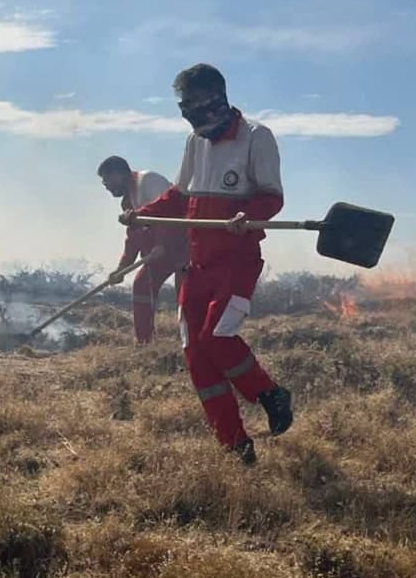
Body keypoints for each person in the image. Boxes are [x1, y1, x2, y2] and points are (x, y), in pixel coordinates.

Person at [121, 64, 292, 464]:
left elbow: (272, 197)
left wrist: (247, 216)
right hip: (196, 265)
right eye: (185, 108)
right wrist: (142, 213)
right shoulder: (194, 142)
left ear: (218, 97)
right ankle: (235, 446)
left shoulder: (256, 137)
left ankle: (271, 394)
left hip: (236, 261)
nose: (192, 115)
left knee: (216, 339)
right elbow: (180, 196)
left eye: (197, 105)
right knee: (195, 354)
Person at [98, 156, 190, 344]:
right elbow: (134, 239)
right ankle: (145, 343)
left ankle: (191, 343)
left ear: (118, 174)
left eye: (107, 180)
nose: (106, 186)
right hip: (161, 253)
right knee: (142, 285)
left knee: (186, 297)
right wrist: (121, 269)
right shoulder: (128, 204)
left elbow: (169, 212)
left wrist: (162, 244)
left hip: (186, 246)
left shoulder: (148, 180)